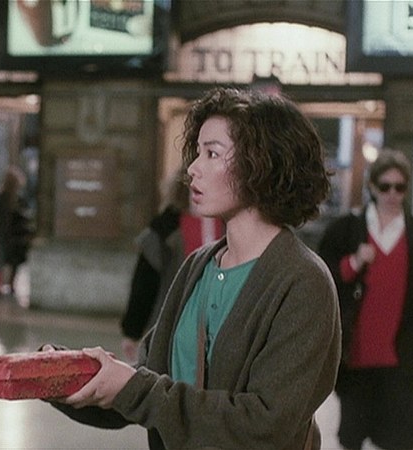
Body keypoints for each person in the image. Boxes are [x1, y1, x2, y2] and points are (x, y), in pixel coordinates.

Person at [44, 87, 341, 450]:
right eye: (198, 152)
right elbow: (147, 387)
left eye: (212, 153)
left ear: (263, 164)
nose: (192, 168)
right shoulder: (198, 266)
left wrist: (134, 389)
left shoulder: (302, 282)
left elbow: (264, 425)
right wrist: (65, 374)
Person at [318, 149, 413, 450]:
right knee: (352, 432)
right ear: (373, 187)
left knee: (405, 428)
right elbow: (323, 273)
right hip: (355, 352)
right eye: (385, 186)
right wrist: (353, 263)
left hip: (397, 353)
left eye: (399, 187)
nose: (392, 194)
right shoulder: (348, 229)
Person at [119, 169, 222, 362]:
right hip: (175, 326)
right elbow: (145, 283)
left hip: (216, 328)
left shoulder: (232, 225)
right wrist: (132, 330)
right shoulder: (165, 229)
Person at [0, 165, 34, 298]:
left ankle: (0, 285)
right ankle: (9, 285)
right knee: (12, 260)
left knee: (2, 259)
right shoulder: (17, 199)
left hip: (5, 232)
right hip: (14, 234)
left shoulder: (1, 198)